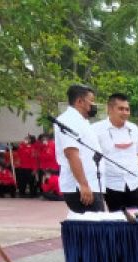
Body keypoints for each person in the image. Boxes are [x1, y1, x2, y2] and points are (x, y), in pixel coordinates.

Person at [92, 92, 138, 212]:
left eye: (127, 109)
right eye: (121, 109)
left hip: (135, 182)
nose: (125, 113)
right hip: (111, 184)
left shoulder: (134, 128)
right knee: (118, 222)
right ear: (109, 109)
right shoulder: (96, 130)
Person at [54, 83, 105, 212]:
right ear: (79, 101)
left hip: (92, 184)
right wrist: (83, 184)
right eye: (92, 101)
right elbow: (72, 154)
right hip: (81, 187)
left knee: (97, 228)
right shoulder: (69, 120)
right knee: (93, 229)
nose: (94, 105)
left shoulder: (81, 121)